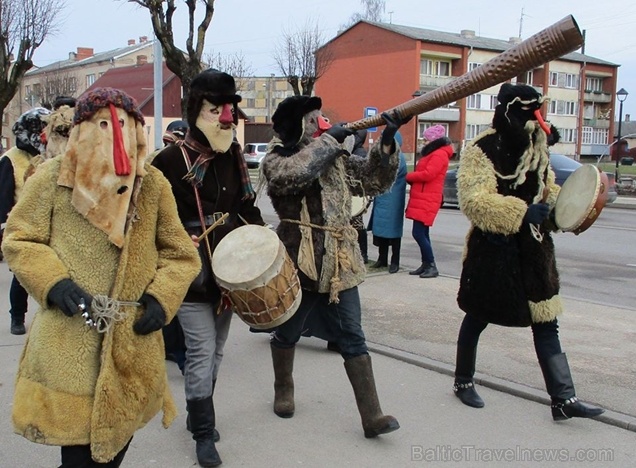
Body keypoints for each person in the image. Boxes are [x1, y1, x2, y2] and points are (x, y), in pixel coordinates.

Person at [2, 87, 200, 467]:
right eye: (103, 124)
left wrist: (161, 297)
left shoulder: (154, 186)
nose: (114, 134)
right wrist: (53, 281)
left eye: (123, 124)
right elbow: (20, 237)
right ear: (81, 129)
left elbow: (180, 254)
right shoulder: (50, 179)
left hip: (131, 341)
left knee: (115, 445)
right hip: (68, 341)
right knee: (79, 454)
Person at [452, 83, 604, 422]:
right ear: (509, 110)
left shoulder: (539, 149)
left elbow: (548, 188)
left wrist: (562, 209)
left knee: (547, 320)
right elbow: (474, 201)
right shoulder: (482, 148)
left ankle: (563, 399)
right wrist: (520, 212)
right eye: (526, 111)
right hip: (493, 249)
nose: (534, 118)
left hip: (534, 249)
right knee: (478, 315)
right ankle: (463, 382)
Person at [261, 95, 409, 438]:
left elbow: (373, 181)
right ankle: (283, 389)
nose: (322, 124)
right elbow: (292, 175)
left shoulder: (333, 158)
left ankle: (372, 416)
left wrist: (386, 145)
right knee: (287, 332)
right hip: (300, 261)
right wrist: (330, 142)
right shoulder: (276, 158)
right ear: (297, 124)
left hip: (340, 264)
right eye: (314, 120)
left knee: (353, 337)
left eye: (321, 118)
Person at [152, 68, 264, 468]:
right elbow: (150, 221)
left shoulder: (233, 155)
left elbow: (246, 208)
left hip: (229, 274)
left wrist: (264, 244)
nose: (224, 118)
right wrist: (182, 240)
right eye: (215, 109)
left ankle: (200, 411)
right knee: (200, 351)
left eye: (228, 109)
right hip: (191, 275)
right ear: (197, 110)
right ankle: (203, 433)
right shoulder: (167, 160)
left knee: (216, 352)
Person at [0, 106, 51, 334]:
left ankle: (50, 317)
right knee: (22, 274)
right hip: (22, 224)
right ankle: (17, 317)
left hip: (49, 222)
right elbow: (4, 196)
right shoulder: (10, 159)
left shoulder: (50, 155)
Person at [405, 124, 453, 278]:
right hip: (424, 196)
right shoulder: (435, 154)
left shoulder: (438, 155)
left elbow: (428, 174)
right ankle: (426, 264)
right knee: (422, 233)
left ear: (433, 141)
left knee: (418, 233)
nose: (423, 142)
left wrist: (409, 177)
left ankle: (431, 264)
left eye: (426, 140)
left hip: (428, 197)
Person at [367, 131, 407, 273]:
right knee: (381, 230)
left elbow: (386, 173)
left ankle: (395, 261)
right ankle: (382, 259)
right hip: (382, 198)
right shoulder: (386, 156)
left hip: (393, 200)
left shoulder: (399, 158)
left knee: (394, 232)